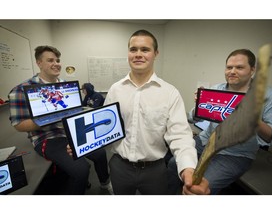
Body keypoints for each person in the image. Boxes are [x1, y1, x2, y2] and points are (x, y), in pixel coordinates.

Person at [76, 29, 209, 195]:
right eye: (133, 49)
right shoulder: (115, 90)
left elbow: (180, 136)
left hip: (155, 170)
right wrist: (80, 143)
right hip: (119, 167)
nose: (138, 54)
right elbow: (104, 127)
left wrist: (188, 169)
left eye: (145, 49)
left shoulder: (170, 93)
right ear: (128, 53)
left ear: (155, 53)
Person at [167, 49, 272, 194]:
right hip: (205, 141)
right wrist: (199, 107)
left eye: (239, 67)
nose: (232, 71)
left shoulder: (270, 96)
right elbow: (192, 118)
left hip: (235, 153)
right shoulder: (216, 89)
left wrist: (255, 122)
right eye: (229, 67)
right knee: (174, 164)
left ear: (252, 70)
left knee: (200, 188)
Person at [8, 45, 112, 194]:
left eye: (57, 60)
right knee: (81, 169)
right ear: (39, 63)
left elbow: (75, 112)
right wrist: (50, 118)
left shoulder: (66, 85)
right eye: (50, 60)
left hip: (71, 131)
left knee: (101, 154)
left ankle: (105, 184)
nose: (56, 63)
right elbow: (18, 124)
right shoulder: (21, 90)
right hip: (47, 137)